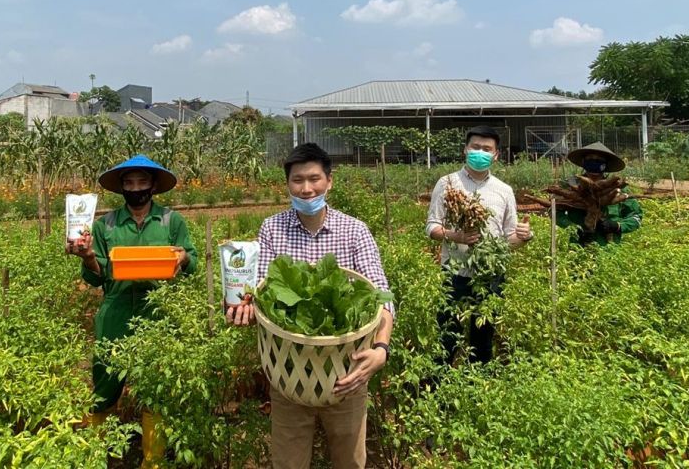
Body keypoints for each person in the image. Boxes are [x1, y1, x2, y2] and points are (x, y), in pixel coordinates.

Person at [227, 143, 393, 469]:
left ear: (329, 181)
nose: (306, 188)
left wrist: (381, 350)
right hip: (288, 372)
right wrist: (242, 305)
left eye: (314, 179)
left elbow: (381, 298)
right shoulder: (271, 229)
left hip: (348, 372)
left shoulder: (354, 231)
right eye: (297, 180)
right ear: (287, 184)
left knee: (351, 462)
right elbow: (261, 292)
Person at [67, 154, 197, 466]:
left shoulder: (171, 221)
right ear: (121, 188)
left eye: (141, 182)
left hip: (159, 314)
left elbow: (190, 258)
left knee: (156, 388)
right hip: (116, 312)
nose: (135, 188)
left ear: (153, 185)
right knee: (105, 385)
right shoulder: (104, 225)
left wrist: (182, 259)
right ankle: (99, 454)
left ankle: (152, 460)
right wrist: (86, 257)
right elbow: (95, 275)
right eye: (129, 182)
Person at [425, 125, 533, 365]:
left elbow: (509, 239)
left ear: (496, 155)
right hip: (454, 272)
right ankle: (439, 389)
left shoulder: (504, 190)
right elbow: (431, 227)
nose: (480, 152)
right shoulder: (448, 183)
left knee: (483, 339)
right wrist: (457, 236)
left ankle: (477, 388)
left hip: (490, 276)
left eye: (487, 149)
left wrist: (524, 236)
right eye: (475, 147)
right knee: (446, 336)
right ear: (465, 149)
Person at [556, 142, 642, 246]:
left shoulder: (617, 188)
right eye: (590, 158)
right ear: (583, 162)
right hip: (577, 246)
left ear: (605, 164)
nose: (594, 162)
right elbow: (555, 211)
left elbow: (636, 217)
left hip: (609, 249)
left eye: (598, 160)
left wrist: (617, 226)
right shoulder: (570, 185)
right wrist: (573, 228)